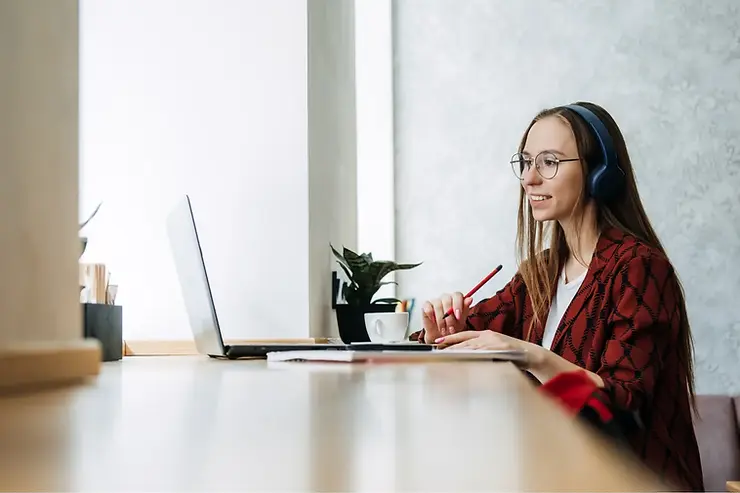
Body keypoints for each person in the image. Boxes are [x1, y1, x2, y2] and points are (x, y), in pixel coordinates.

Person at [411, 102, 704, 491]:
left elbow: (622, 405)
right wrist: (442, 332)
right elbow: (471, 336)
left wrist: (531, 356)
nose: (529, 179)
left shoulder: (640, 269)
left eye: (548, 162)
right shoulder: (541, 272)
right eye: (526, 162)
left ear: (599, 174)